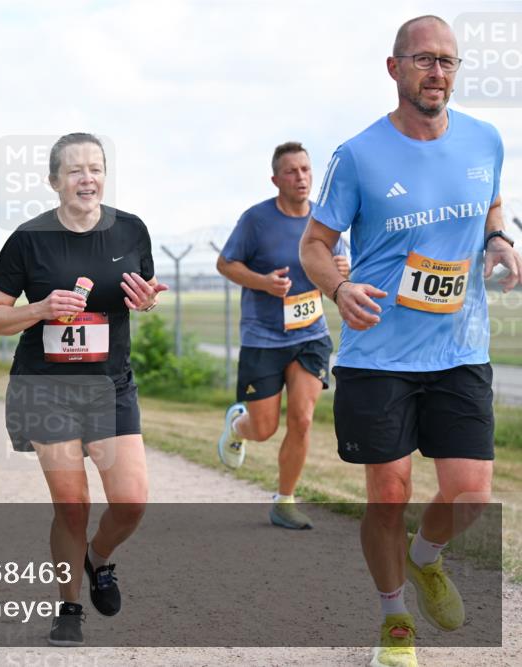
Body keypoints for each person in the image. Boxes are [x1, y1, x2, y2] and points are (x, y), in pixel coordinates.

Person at [298, 16, 520, 667]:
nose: (438, 72)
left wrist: (499, 239)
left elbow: (490, 202)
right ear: (394, 69)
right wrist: (340, 291)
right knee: (388, 493)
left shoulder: (485, 139)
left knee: (472, 492)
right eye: (424, 60)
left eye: (448, 61)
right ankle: (395, 619)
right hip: (378, 355)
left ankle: (427, 560)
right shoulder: (358, 155)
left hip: (459, 348)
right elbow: (315, 245)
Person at [0, 133, 167, 647]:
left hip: (111, 387)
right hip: (47, 388)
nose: (88, 179)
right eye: (76, 171)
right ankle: (69, 606)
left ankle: (98, 559)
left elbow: (140, 295)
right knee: (72, 504)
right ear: (54, 181)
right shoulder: (29, 239)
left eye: (96, 168)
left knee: (130, 502)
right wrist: (39, 309)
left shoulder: (131, 230)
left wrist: (146, 301)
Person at [215, 141, 350, 530]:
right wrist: (262, 282)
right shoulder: (256, 220)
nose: (301, 177)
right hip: (263, 336)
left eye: (306, 169)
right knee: (264, 428)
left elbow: (336, 278)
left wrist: (342, 269)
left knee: (303, 420)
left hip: (311, 334)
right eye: (291, 171)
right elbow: (225, 263)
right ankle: (238, 427)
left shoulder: (325, 221)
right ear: (276, 179)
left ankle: (284, 500)